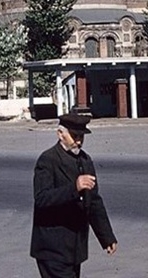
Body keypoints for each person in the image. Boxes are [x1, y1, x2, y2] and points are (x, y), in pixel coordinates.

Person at [30, 112, 117, 278]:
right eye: (74, 136)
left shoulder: (85, 161)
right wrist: (74, 188)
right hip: (52, 248)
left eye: (82, 137)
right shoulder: (48, 160)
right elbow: (41, 198)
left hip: (74, 248)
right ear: (60, 134)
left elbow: (94, 202)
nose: (78, 141)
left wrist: (106, 237)